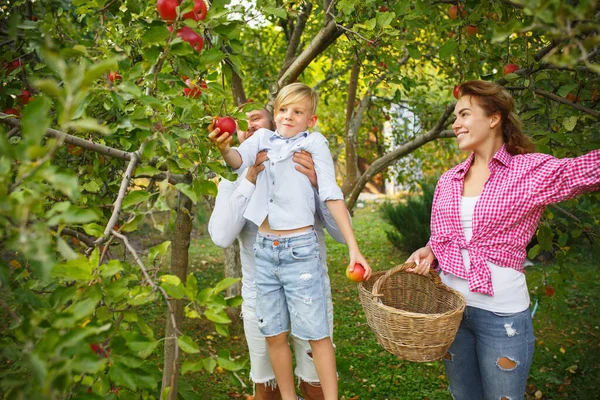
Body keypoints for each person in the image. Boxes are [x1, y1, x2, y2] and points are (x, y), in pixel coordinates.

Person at [406, 80, 600, 399]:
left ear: (494, 117)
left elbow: (584, 170)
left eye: (465, 114)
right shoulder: (449, 180)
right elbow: (445, 235)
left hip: (502, 315)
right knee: (463, 395)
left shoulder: (528, 172)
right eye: (455, 117)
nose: (456, 124)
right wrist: (430, 250)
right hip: (451, 308)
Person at [211, 83, 371, 400]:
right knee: (273, 336)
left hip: (300, 253)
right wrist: (228, 155)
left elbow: (333, 196)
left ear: (309, 120)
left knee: (316, 338)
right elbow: (234, 161)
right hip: (264, 259)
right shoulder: (257, 149)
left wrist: (354, 248)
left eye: (297, 111)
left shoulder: (312, 147)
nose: (288, 116)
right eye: (284, 109)